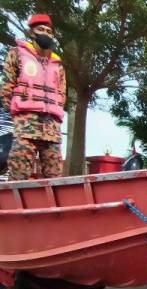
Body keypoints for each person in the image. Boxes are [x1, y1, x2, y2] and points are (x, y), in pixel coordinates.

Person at [1, 14, 65, 180]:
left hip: (51, 128)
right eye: (41, 30)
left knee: (55, 177)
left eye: (49, 31)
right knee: (18, 173)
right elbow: (7, 87)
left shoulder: (57, 65)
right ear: (32, 33)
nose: (45, 34)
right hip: (25, 125)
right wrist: (17, 115)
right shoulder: (17, 54)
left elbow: (61, 93)